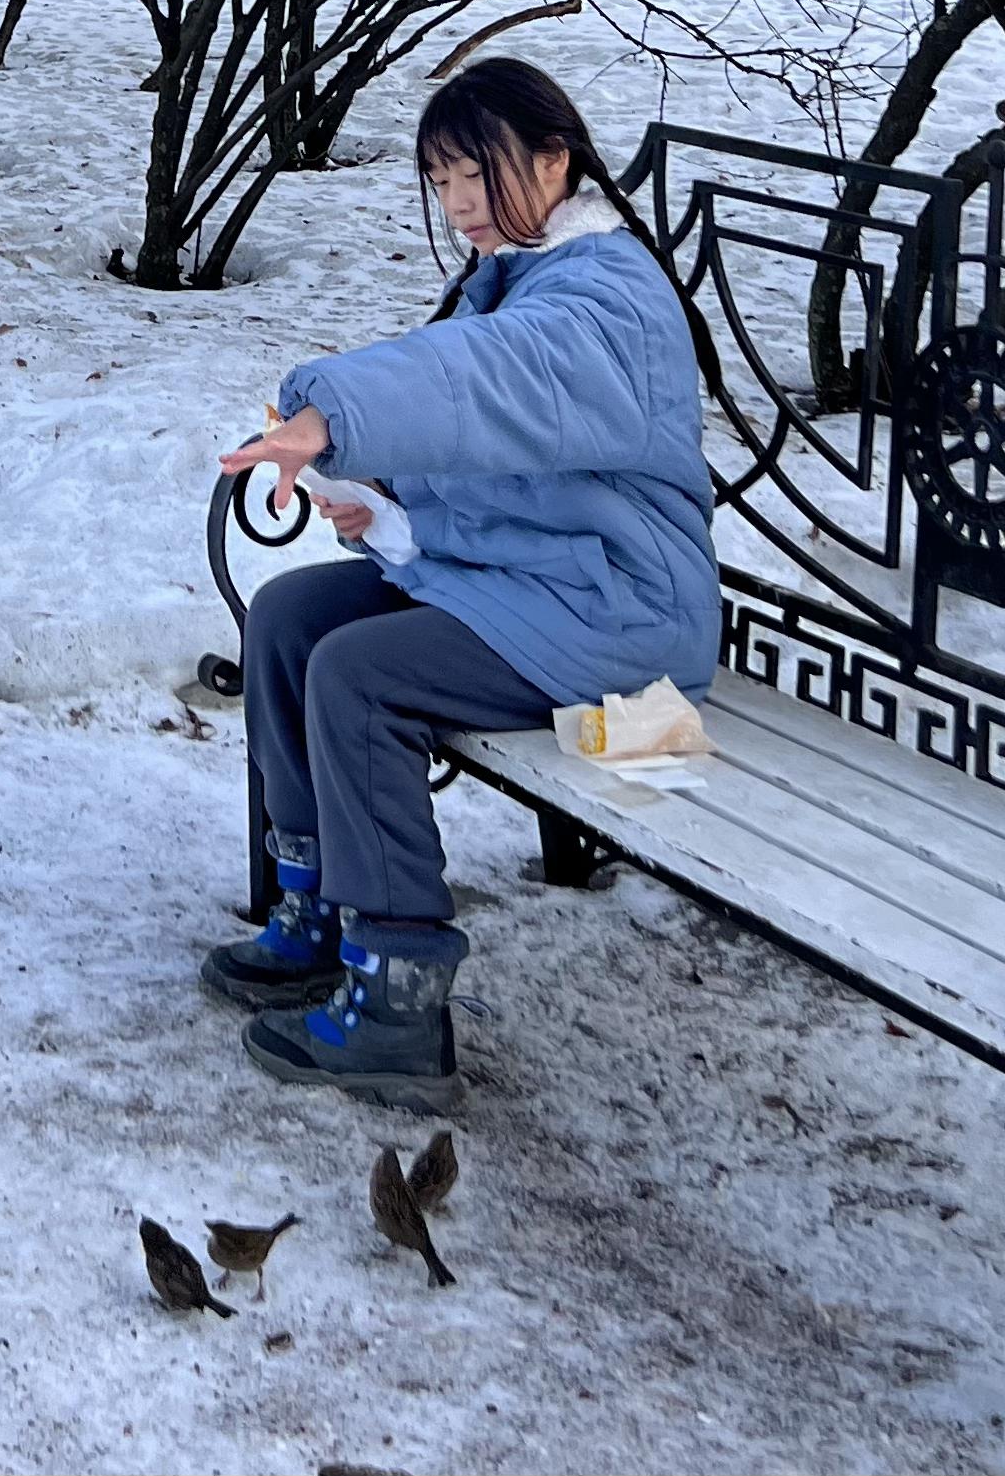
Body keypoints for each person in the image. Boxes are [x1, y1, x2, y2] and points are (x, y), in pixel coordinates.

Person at [206, 57, 718, 1110]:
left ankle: (396, 991)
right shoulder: (529, 276)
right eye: (440, 180)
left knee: (360, 674)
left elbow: (488, 382)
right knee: (293, 617)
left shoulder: (603, 297)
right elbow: (511, 458)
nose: (459, 204)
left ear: (552, 160)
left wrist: (332, 414)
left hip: (622, 613)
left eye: (476, 174)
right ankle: (313, 906)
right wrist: (392, 507)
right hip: (549, 578)